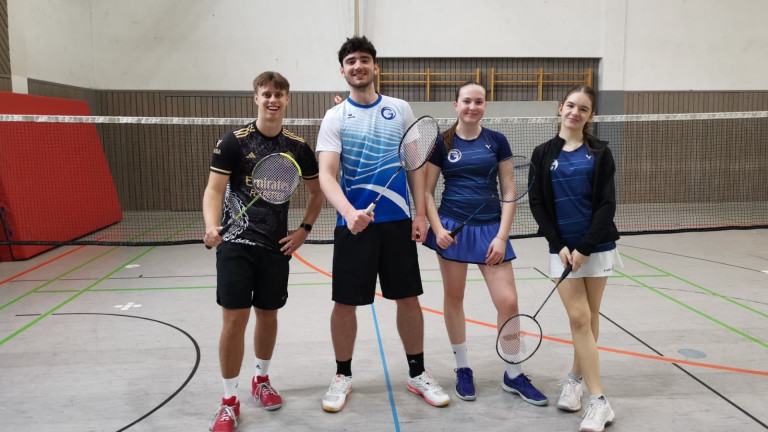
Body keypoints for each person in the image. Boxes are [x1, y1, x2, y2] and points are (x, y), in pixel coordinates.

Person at [315, 35, 450, 412]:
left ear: (375, 67)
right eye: (351, 61)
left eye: (364, 60)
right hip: (353, 224)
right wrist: (348, 213)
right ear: (342, 71)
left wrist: (421, 214)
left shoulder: (400, 109)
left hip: (397, 222)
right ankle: (343, 375)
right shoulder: (335, 117)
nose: (358, 66)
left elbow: (415, 165)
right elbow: (327, 174)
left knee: (408, 298)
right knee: (345, 303)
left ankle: (417, 373)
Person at [202, 71, 324, 432]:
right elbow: (213, 190)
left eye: (279, 94)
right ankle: (228, 401)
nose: (273, 99)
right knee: (234, 321)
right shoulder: (233, 142)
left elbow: (317, 192)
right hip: (236, 244)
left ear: (287, 99)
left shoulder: (298, 147)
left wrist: (304, 230)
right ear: (256, 98)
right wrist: (211, 225)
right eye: (266, 93)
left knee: (267, 316)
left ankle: (261, 380)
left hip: (275, 247)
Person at [422, 81, 548, 406]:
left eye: (479, 101)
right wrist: (437, 230)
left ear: (484, 106)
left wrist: (502, 236)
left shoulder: (497, 141)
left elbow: (509, 189)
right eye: (467, 101)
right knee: (454, 297)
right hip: (453, 227)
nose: (472, 106)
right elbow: (426, 192)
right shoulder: (442, 142)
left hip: (492, 229)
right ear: (455, 104)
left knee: (508, 302)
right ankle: (463, 368)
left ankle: (514, 372)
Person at [528, 85, 621, 432]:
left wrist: (584, 247)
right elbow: (537, 202)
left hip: (596, 246)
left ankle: (577, 381)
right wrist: (559, 243)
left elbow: (606, 204)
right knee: (580, 318)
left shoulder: (600, 152)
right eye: (570, 105)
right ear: (560, 108)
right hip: (561, 249)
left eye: (583, 108)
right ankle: (600, 400)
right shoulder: (543, 153)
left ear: (590, 115)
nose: (575, 112)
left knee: (589, 317)